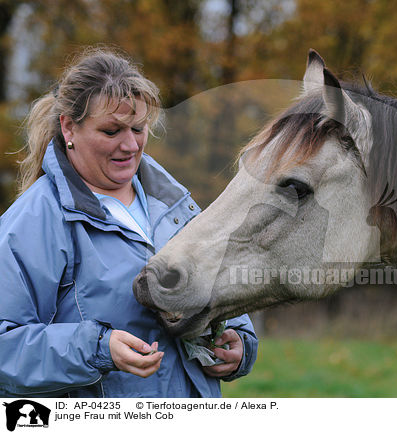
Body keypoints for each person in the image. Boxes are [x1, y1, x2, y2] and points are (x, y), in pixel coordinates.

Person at [0, 47, 258, 397]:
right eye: (111, 131)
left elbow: (217, 285)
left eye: (138, 128)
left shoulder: (173, 203)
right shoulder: (34, 221)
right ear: (68, 127)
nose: (130, 145)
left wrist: (239, 342)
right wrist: (97, 349)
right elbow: (6, 346)